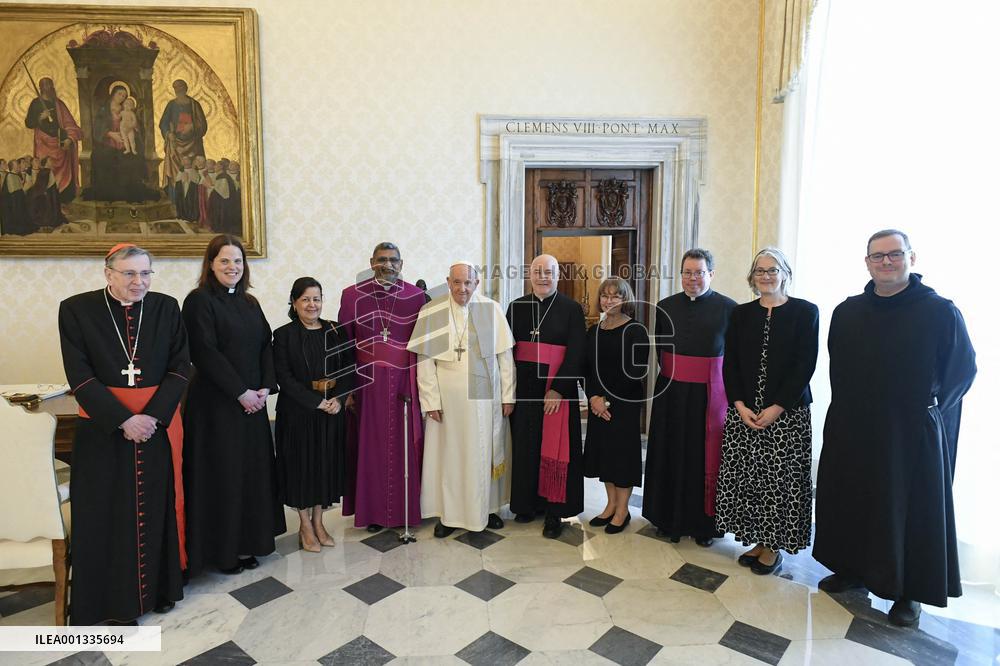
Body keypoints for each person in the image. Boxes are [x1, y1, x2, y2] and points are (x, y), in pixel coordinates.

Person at [813, 229, 976, 627]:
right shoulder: (847, 311)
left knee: (906, 509)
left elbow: (962, 369)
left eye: (894, 255)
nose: (886, 262)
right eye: (878, 256)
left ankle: (910, 592)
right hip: (853, 425)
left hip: (910, 432)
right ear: (866, 263)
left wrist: (927, 411)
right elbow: (838, 364)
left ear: (911, 258)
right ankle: (852, 569)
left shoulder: (939, 311)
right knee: (855, 497)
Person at [58, 243, 190, 624]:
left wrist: (152, 417)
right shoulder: (77, 309)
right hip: (103, 430)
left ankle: (160, 590)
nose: (139, 282)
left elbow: (181, 366)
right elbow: (78, 374)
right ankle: (111, 603)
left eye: (146, 273)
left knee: (157, 505)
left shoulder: (166, 307)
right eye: (130, 273)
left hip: (154, 427)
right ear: (108, 274)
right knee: (106, 513)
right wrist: (122, 420)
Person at [182, 234, 285, 575]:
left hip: (253, 404)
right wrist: (241, 392)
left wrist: (265, 388)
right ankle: (221, 552)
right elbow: (203, 352)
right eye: (224, 261)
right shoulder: (198, 301)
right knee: (223, 476)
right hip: (216, 407)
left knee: (250, 475)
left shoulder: (250, 303)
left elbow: (266, 346)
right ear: (210, 264)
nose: (232, 267)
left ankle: (249, 542)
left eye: (238, 261)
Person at [715, 247, 819, 576]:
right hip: (745, 412)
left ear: (785, 274)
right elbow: (728, 361)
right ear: (752, 277)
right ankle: (759, 540)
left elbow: (805, 364)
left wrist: (777, 407)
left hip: (787, 414)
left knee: (780, 481)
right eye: (760, 271)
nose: (766, 276)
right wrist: (740, 404)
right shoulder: (741, 314)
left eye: (772, 270)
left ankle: (774, 548)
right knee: (751, 479)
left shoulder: (806, 312)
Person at [408, 261, 515, 537]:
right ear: (448, 282)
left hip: (483, 396)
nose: (462, 288)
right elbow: (425, 361)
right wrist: (430, 401)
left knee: (483, 451)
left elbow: (505, 358)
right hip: (447, 400)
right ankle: (449, 514)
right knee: (450, 455)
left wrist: (508, 396)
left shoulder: (490, 309)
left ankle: (487, 510)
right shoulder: (432, 311)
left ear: (476, 283)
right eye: (457, 282)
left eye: (468, 282)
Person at [642, 249, 737, 545]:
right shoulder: (665, 306)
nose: (692, 278)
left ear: (711, 273)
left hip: (709, 398)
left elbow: (733, 356)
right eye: (687, 272)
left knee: (701, 459)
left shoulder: (729, 308)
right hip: (670, 392)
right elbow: (661, 351)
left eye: (699, 272)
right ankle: (666, 518)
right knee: (669, 453)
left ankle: (703, 525)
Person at [338, 242, 426, 532]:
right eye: (381, 260)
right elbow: (343, 346)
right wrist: (347, 389)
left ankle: (405, 511)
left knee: (405, 447)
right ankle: (373, 512)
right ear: (371, 262)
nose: (387, 265)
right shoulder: (352, 296)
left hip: (405, 382)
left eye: (393, 260)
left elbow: (424, 344)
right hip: (366, 385)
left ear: (402, 264)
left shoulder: (416, 296)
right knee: (370, 448)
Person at [505, 254, 586, 539]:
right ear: (529, 275)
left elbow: (577, 354)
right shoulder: (515, 307)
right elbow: (506, 353)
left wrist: (559, 389)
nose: (543, 277)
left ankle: (554, 511)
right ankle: (526, 504)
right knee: (527, 446)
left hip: (556, 392)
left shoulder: (571, 309)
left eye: (549, 272)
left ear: (557, 276)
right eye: (538, 272)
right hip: (525, 389)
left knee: (554, 449)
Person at [273, 277, 354, 552]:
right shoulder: (283, 335)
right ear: (294, 303)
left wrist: (339, 399)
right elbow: (284, 376)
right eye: (305, 299)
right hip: (298, 412)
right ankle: (304, 525)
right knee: (301, 469)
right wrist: (315, 402)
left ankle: (319, 522)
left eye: (316, 298)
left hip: (331, 412)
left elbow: (348, 368)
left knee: (324, 467)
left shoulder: (335, 330)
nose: (312, 304)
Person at [584, 277, 648, 534]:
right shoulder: (593, 331)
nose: (609, 300)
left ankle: (623, 511)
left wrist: (606, 401)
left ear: (625, 300)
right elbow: (586, 369)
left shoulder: (636, 330)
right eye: (605, 296)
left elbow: (636, 372)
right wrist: (593, 398)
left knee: (621, 458)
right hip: (598, 404)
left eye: (615, 296)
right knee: (605, 456)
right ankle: (610, 505)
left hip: (623, 405)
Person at [89, 85, 155, 203]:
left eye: (124, 96)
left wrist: (133, 128)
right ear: (113, 93)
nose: (121, 97)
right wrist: (110, 134)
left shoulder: (127, 109)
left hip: (125, 142)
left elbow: (136, 125)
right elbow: (97, 127)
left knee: (131, 159)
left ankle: (127, 194)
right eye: (119, 94)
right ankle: (109, 195)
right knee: (101, 157)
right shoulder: (104, 109)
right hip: (108, 142)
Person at [24, 77, 82, 203]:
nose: (48, 88)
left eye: (50, 85)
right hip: (43, 142)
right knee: (45, 171)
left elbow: (70, 124)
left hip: (60, 143)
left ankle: (63, 199)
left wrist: (69, 139)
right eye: (45, 86)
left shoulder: (59, 104)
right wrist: (40, 118)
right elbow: (29, 123)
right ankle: (46, 201)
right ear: (41, 88)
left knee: (63, 175)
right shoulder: (35, 103)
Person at [159, 79, 208, 190]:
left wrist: (192, 126)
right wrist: (168, 133)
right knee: (176, 175)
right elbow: (163, 123)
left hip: (193, 144)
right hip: (175, 145)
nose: (179, 90)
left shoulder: (194, 105)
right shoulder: (171, 105)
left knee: (193, 174)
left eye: (181, 87)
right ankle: (175, 199)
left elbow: (203, 125)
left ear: (186, 88)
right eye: (176, 88)